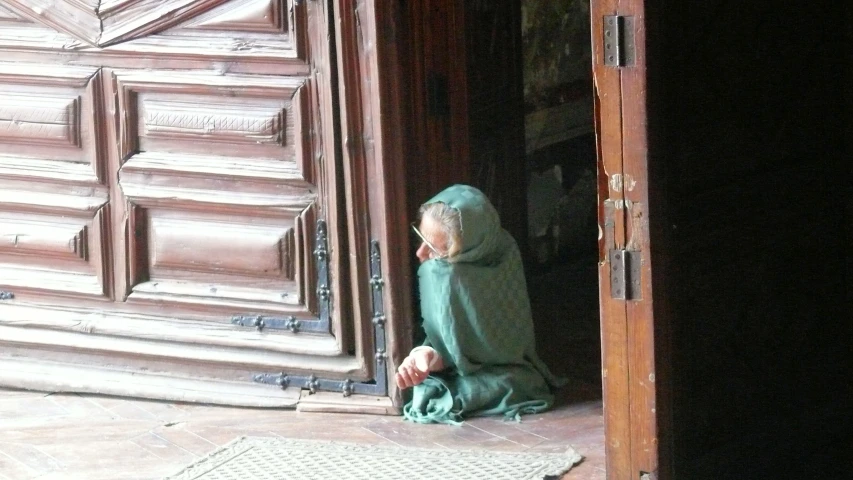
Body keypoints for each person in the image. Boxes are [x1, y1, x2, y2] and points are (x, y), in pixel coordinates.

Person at [398, 184, 564, 424]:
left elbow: (503, 349)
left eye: (435, 249)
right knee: (428, 391)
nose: (420, 254)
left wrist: (440, 359)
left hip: (501, 369)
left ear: (469, 252)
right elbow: (442, 339)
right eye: (420, 238)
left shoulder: (496, 255)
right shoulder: (437, 272)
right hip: (452, 368)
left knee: (518, 384)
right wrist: (425, 354)